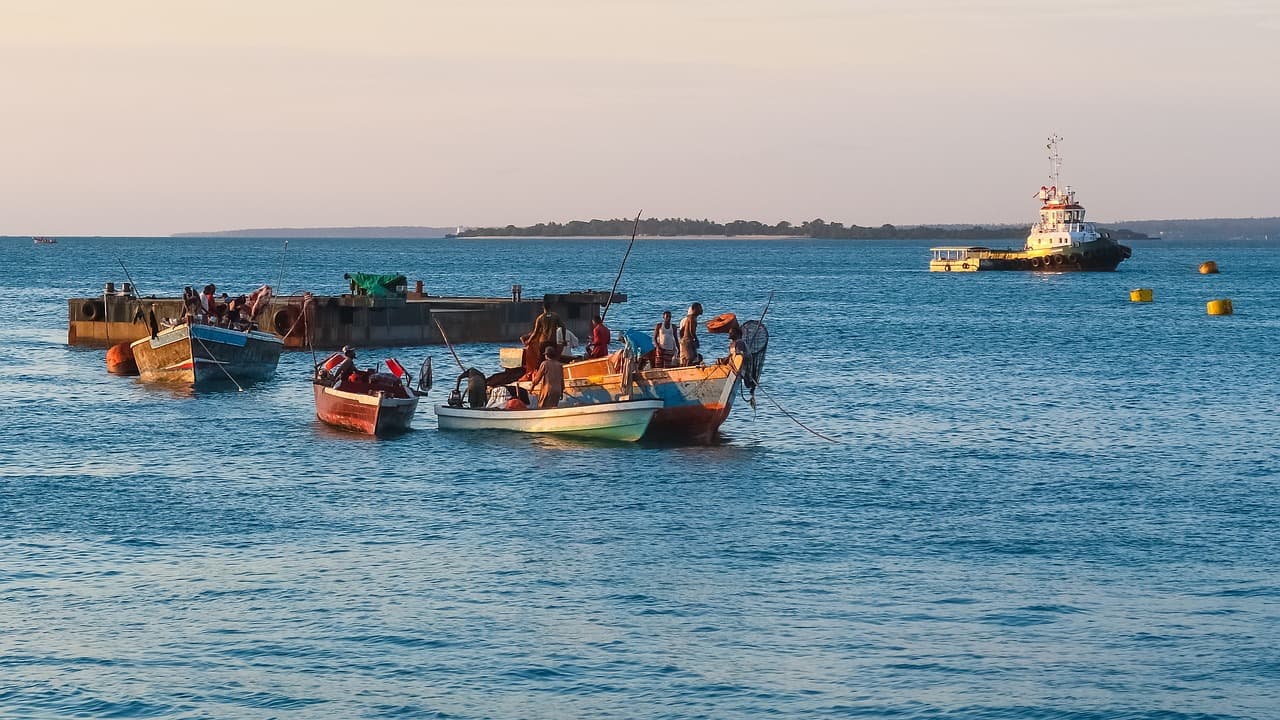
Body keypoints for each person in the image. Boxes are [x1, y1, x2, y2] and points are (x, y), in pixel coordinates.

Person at [678, 302, 703, 366]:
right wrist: (696, 340)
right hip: (688, 340)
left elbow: (682, 331)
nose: (701, 309)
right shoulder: (692, 318)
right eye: (700, 308)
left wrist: (682, 340)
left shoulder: (689, 318)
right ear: (694, 309)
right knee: (690, 358)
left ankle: (685, 369)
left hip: (686, 340)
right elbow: (691, 331)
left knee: (692, 358)